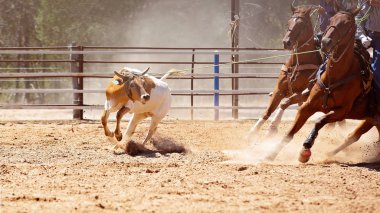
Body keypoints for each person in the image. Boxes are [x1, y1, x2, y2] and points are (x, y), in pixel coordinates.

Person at [356, 0, 380, 124]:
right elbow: (358, 18)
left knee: (377, 70)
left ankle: (377, 106)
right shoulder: (363, 1)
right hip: (367, 36)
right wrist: (362, 36)